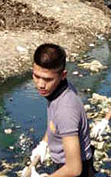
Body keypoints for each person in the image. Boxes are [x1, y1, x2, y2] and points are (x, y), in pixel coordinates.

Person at [29, 44, 95, 177]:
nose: (41, 84)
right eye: (36, 76)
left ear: (63, 75)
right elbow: (55, 123)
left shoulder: (66, 109)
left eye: (48, 79)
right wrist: (44, 142)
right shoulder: (57, 90)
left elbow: (74, 168)